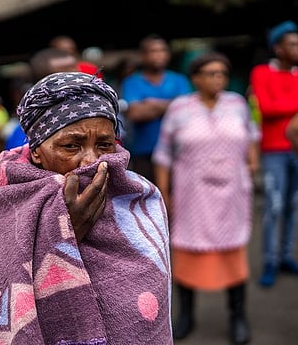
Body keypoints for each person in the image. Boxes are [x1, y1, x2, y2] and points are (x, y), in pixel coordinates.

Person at [0, 72, 172, 344]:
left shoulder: (141, 200)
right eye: (71, 146)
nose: (91, 161)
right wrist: (61, 233)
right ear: (36, 151)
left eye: (104, 145)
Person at [153, 52, 260, 344]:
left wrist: (252, 164)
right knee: (188, 253)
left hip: (232, 192)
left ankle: (238, 315)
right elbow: (163, 155)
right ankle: (186, 315)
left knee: (233, 254)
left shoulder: (237, 104)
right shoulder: (180, 108)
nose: (218, 79)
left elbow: (252, 135)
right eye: (211, 73)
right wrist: (165, 192)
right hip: (192, 193)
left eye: (222, 73)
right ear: (195, 78)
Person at [248, 20, 298, 288]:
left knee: (293, 205)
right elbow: (266, 108)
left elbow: (278, 107)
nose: (297, 48)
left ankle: (286, 256)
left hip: (296, 150)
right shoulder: (261, 72)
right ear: (278, 48)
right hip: (273, 150)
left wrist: (284, 107)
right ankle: (269, 260)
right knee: (274, 206)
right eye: (292, 44)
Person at [121, 34, 192, 182]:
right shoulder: (132, 82)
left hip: (178, 151)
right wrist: (171, 104)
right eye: (153, 51)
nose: (159, 55)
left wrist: (152, 104)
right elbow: (135, 113)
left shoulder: (179, 80)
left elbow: (187, 111)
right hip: (144, 151)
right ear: (143, 55)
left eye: (162, 50)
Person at [3, 47, 79, 150]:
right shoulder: (25, 133)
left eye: (76, 72)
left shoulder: (98, 114)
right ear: (42, 86)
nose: (77, 80)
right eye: (63, 76)